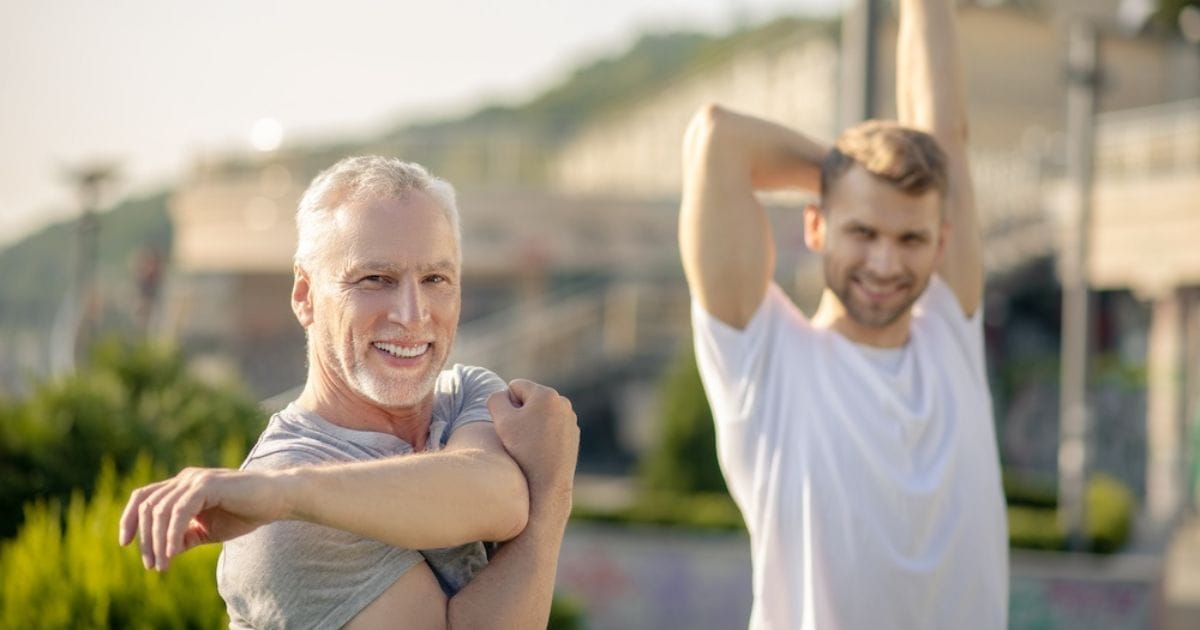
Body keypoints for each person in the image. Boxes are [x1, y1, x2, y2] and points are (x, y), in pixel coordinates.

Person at [119, 156, 579, 629]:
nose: (412, 314)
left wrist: (547, 494)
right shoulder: (281, 524)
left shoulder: (467, 392)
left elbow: (499, 499)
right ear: (304, 294)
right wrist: (553, 488)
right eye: (375, 279)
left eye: (435, 279)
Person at [679, 0, 1006, 627]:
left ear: (942, 242)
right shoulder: (763, 361)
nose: (885, 264)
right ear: (816, 225)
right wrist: (851, 172)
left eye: (910, 238)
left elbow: (944, 130)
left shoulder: (951, 330)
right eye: (862, 230)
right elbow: (717, 135)